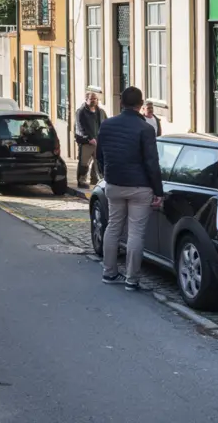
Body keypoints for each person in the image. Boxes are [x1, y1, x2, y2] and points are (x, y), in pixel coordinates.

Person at [96, 86, 164, 291]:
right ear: (140, 105)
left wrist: (106, 175)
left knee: (113, 227)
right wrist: (158, 192)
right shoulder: (146, 129)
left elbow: (100, 155)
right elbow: (152, 162)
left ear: (121, 103)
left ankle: (109, 272)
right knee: (135, 232)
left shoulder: (106, 125)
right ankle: (131, 279)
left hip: (114, 184)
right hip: (139, 187)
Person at [73, 92, 107, 189]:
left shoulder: (101, 112)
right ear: (86, 99)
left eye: (95, 99)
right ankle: (81, 181)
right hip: (86, 142)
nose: (94, 101)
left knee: (98, 162)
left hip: (98, 142)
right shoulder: (81, 112)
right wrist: (89, 138)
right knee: (84, 163)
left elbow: (105, 124)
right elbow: (80, 127)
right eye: (92, 99)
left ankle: (95, 180)